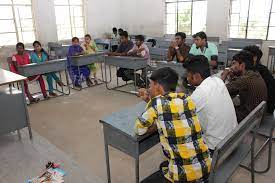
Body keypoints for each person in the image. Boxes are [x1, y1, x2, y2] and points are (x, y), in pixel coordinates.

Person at [135, 67, 211, 183]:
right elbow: (172, 112)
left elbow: (139, 129)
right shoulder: (187, 99)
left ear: (157, 86)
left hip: (184, 177)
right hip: (205, 166)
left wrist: (150, 102)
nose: (149, 89)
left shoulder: (156, 103)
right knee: (163, 165)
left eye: (150, 86)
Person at [184, 55, 238, 152]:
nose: (187, 78)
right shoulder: (218, 81)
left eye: (188, 75)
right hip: (233, 138)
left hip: (216, 148)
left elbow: (182, 116)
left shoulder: (200, 93)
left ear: (196, 76)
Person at [221, 51, 267, 122]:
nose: (231, 67)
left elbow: (220, 90)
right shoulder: (255, 74)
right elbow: (236, 86)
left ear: (242, 65)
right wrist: (233, 77)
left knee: (218, 109)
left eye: (234, 63)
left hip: (247, 118)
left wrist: (224, 74)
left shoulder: (245, 79)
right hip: (257, 115)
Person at [243, 45, 275, 114]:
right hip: (264, 107)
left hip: (264, 110)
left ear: (254, 58)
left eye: (244, 57)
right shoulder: (262, 69)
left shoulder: (255, 72)